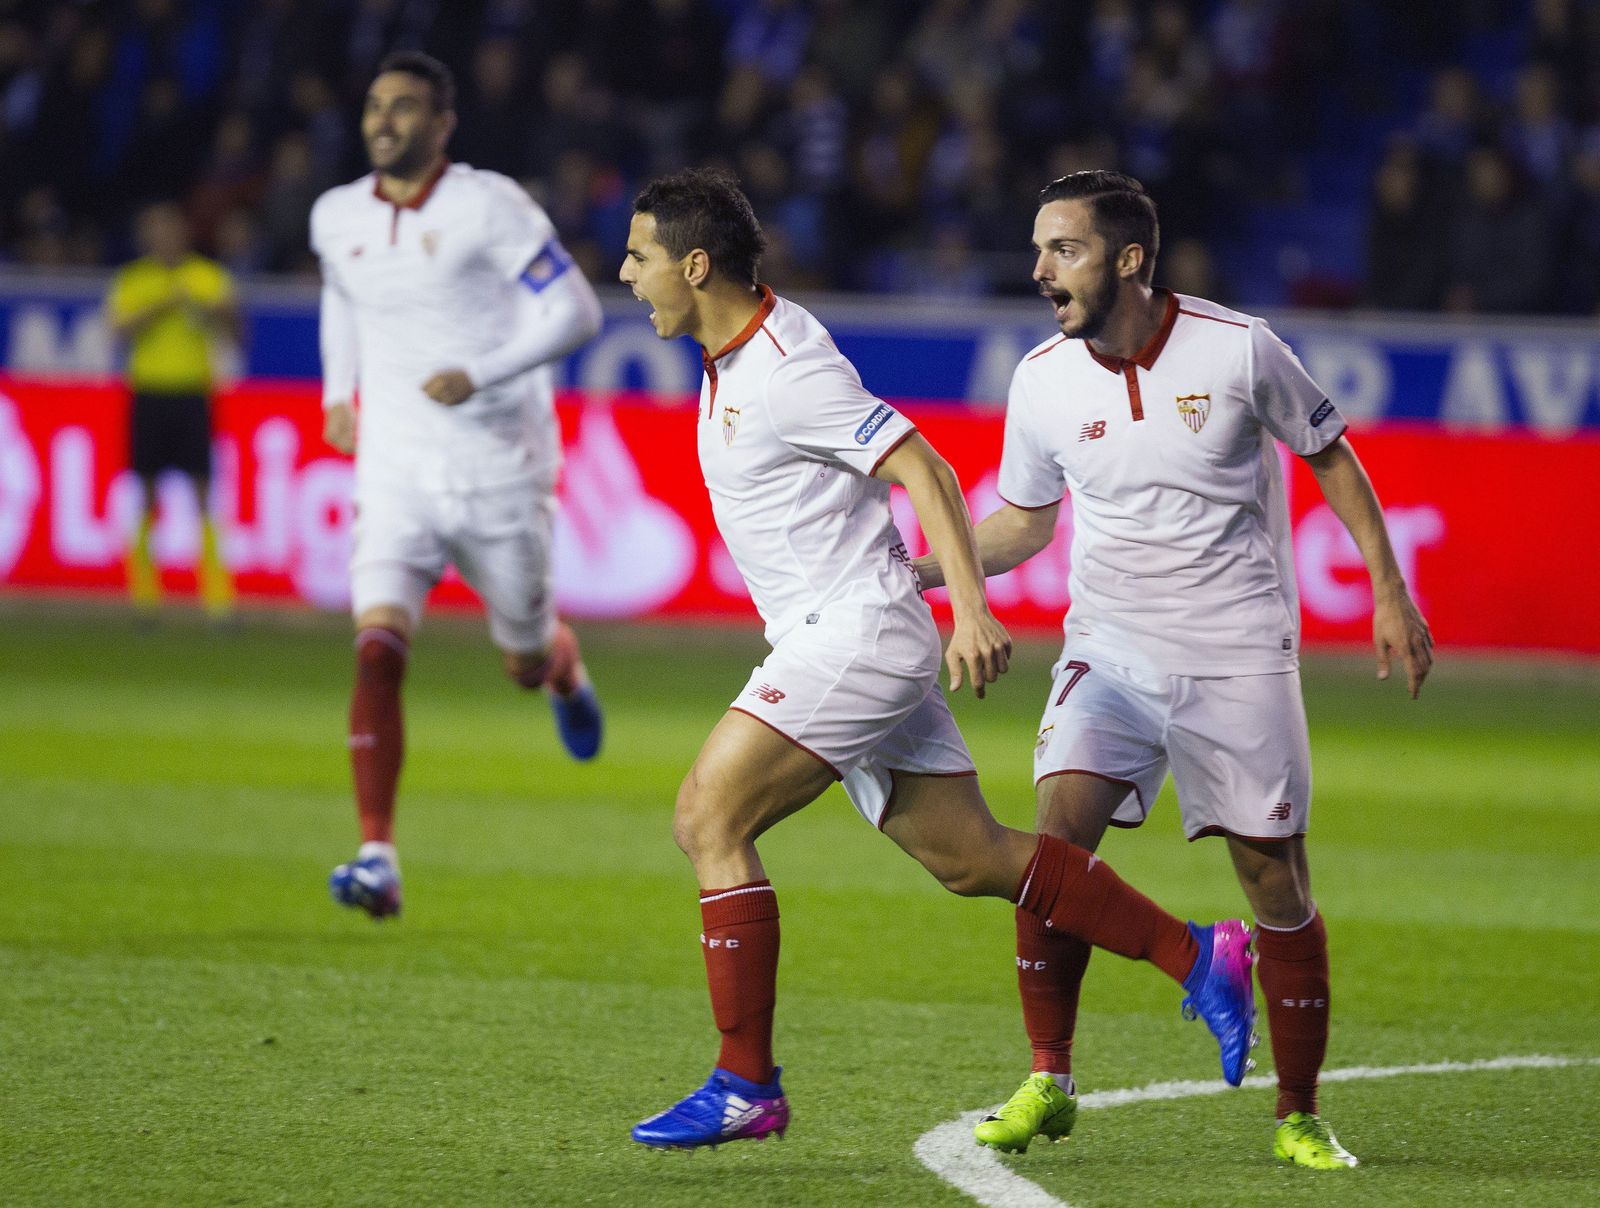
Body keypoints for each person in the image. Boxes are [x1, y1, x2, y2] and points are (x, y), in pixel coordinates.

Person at [617, 167, 1259, 1151]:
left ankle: (745, 1080)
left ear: (695, 265)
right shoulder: (733, 359)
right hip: (838, 632)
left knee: (709, 815)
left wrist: (966, 607)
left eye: (639, 256)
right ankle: (1201, 953)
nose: (626, 275)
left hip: (856, 633)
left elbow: (924, 462)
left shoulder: (787, 369)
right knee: (973, 860)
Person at [914, 170, 1434, 1170]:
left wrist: (1386, 588)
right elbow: (1024, 519)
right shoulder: (1041, 378)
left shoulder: (1237, 347)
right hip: (1107, 641)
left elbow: (1330, 453)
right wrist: (926, 567)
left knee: (1269, 871)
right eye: (1037, 249)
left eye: (1060, 249)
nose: (1038, 270)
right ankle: (1048, 1077)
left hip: (1235, 646)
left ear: (1129, 259)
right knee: (1055, 839)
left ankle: (1298, 1109)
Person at [310, 51, 605, 920]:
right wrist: (337, 388)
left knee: (517, 661)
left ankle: (560, 667)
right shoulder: (337, 215)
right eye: (374, 106)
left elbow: (577, 312)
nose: (384, 120)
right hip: (395, 465)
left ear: (442, 126)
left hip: (498, 468)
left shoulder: (490, 207)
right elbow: (342, 292)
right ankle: (377, 854)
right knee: (374, 648)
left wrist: (480, 372)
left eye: (405, 108)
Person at [106, 201, 240, 622]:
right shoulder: (134, 280)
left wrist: (217, 313)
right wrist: (164, 305)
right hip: (148, 394)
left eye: (168, 229)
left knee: (203, 493)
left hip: (191, 395)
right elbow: (120, 331)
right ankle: (145, 598)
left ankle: (217, 599)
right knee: (146, 495)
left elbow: (237, 332)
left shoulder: (208, 277)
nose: (162, 238)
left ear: (184, 232)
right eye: (154, 231)